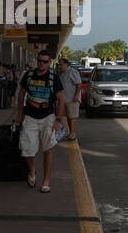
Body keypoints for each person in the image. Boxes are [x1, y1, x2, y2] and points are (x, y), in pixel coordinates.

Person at [15, 52, 64, 192]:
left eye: (45, 61)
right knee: (27, 149)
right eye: (40, 61)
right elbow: (21, 94)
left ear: (49, 62)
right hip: (30, 116)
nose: (41, 64)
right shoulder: (29, 75)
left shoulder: (53, 78)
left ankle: (46, 181)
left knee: (47, 150)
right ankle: (32, 170)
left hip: (47, 117)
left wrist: (58, 120)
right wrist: (20, 114)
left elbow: (61, 100)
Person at [57, 57, 82, 142]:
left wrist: (76, 96)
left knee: (72, 117)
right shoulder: (61, 73)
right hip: (65, 99)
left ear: (66, 64)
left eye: (61, 64)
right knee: (68, 117)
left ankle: (72, 134)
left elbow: (79, 85)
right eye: (59, 65)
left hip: (72, 99)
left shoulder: (73, 72)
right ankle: (70, 133)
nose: (60, 66)